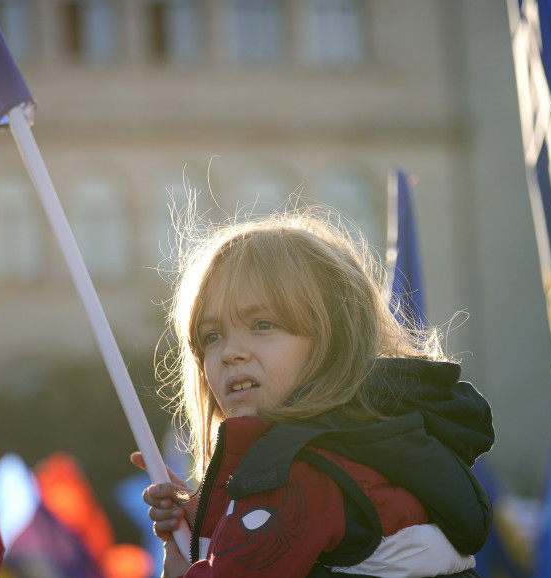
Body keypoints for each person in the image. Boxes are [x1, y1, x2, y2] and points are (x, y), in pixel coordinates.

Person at [131, 205, 493, 577]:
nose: (230, 352)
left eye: (263, 324)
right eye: (211, 336)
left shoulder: (300, 471)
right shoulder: (372, 447)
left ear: (333, 338)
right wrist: (213, 524)